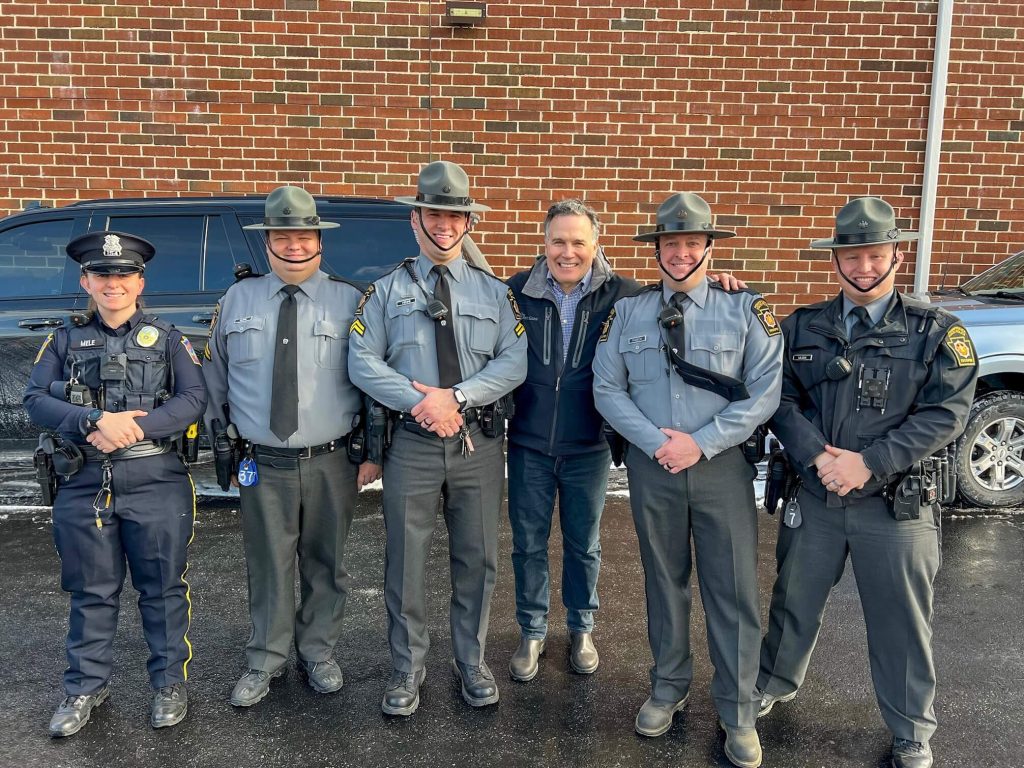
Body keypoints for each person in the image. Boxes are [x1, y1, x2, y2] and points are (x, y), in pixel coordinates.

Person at [756, 197, 978, 768]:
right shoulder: (801, 327)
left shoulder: (937, 332)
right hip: (817, 494)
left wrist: (869, 462)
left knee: (901, 619)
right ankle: (772, 683)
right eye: (852, 257)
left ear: (896, 255)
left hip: (895, 504)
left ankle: (911, 727)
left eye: (876, 255)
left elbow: (945, 414)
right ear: (835, 260)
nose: (863, 267)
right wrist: (817, 456)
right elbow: (777, 398)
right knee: (793, 600)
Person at [593, 192, 783, 768]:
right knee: (663, 582)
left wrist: (699, 443)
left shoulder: (745, 309)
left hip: (720, 468)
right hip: (654, 469)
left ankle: (738, 711)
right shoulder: (628, 313)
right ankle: (667, 687)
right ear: (656, 250)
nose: (680, 253)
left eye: (691, 242)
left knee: (732, 591)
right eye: (670, 243)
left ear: (708, 247)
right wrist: (657, 443)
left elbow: (765, 391)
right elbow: (607, 387)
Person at [348, 160, 527, 715]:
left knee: (477, 558)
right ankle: (407, 666)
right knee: (405, 560)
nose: (445, 226)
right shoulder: (384, 291)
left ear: (468, 223)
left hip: (477, 441)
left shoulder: (495, 293)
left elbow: (515, 360)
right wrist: (422, 401)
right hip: (413, 442)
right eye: (434, 215)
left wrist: (459, 397)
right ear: (415, 219)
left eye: (455, 217)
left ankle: (471, 660)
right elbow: (361, 361)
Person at [202, 186, 380, 708]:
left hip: (331, 460)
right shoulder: (235, 300)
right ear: (267, 242)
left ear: (320, 241)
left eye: (304, 236)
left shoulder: (352, 301)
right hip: (261, 462)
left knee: (326, 562)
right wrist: (223, 447)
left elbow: (372, 384)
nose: (294, 246)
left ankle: (318, 652)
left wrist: (372, 451)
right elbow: (214, 381)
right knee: (268, 564)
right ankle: (265, 657)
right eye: (282, 236)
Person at [24, 231, 208, 736]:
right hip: (84, 477)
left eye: (124, 273)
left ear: (139, 282)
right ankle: (85, 686)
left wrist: (135, 429)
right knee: (91, 589)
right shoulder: (63, 340)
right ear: (86, 281)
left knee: (162, 586)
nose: (113, 283)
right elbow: (35, 398)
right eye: (101, 274)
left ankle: (168, 684)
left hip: (155, 476)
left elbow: (194, 398)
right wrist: (93, 420)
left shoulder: (169, 339)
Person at [504, 199, 642, 681]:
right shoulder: (516, 291)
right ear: (544, 244)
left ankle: (581, 628)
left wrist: (724, 283)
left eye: (578, 242)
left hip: (588, 445)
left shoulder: (624, 295)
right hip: (529, 443)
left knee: (584, 544)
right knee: (528, 543)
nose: (568, 252)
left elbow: (678, 300)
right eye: (558, 241)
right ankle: (532, 630)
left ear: (595, 243)